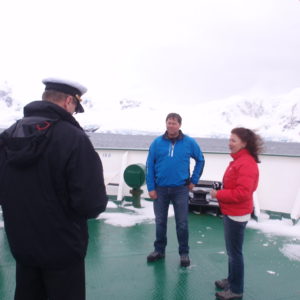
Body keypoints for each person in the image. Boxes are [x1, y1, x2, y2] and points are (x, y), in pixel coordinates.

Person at [0, 78, 108, 300]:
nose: (74, 114)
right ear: (69, 100)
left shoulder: (9, 135)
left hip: (22, 246)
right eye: (75, 108)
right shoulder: (73, 138)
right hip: (62, 249)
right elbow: (91, 203)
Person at [210, 127, 263, 300]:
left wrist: (218, 194)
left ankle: (236, 290)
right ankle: (231, 280)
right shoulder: (239, 160)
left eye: (233, 140)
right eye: (229, 139)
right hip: (232, 211)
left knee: (235, 253)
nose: (229, 143)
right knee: (232, 251)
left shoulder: (246, 163)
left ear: (244, 143)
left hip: (236, 214)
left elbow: (243, 193)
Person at [146, 112, 205, 267]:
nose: (171, 125)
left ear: (179, 125)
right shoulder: (156, 143)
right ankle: (159, 250)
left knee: (182, 223)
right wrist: (151, 187)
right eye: (169, 122)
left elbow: (200, 159)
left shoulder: (189, 142)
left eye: (174, 123)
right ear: (165, 124)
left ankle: (184, 253)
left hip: (180, 189)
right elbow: (150, 166)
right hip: (160, 189)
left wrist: (194, 180)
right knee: (160, 222)